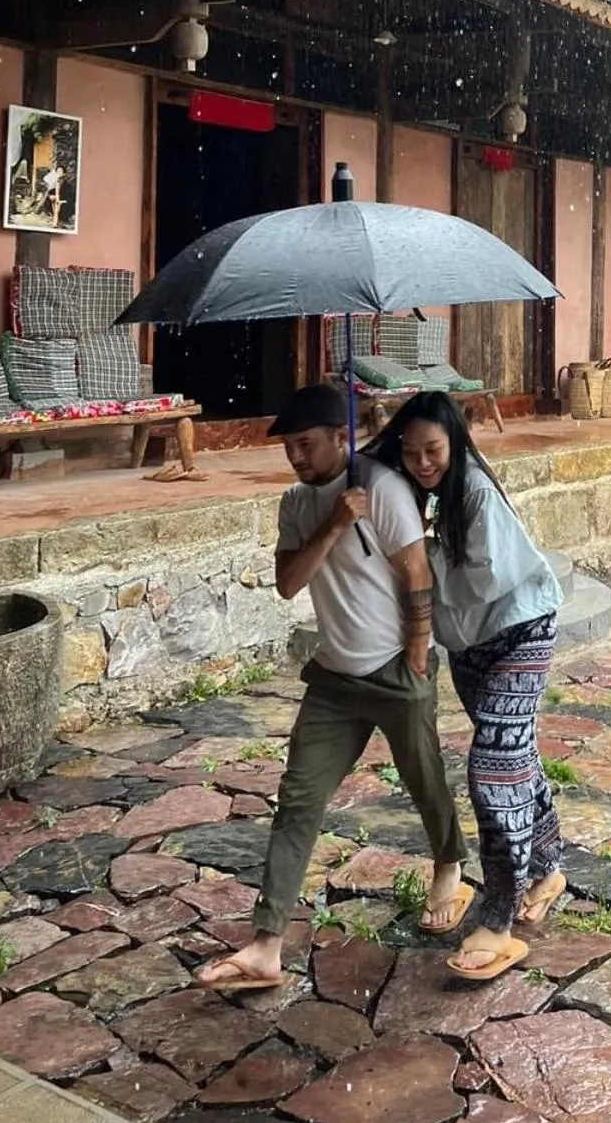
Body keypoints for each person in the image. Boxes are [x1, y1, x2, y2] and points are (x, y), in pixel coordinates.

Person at [195, 383, 471, 992]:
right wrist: (334, 521)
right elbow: (289, 584)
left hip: (395, 669)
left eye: (307, 444)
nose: (296, 456)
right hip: (333, 679)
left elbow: (416, 572)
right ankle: (266, 945)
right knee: (298, 800)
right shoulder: (298, 502)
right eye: (289, 447)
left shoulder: (386, 488)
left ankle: (449, 864)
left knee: (424, 779)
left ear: (340, 437)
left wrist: (419, 654)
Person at [365, 391, 565, 980]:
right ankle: (548, 868)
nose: (423, 462)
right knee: (515, 754)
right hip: (469, 642)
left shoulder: (473, 489)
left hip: (519, 629)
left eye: (434, 450)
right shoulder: (412, 484)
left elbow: (484, 578)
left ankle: (497, 917)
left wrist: (416, 550)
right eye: (412, 452)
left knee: (492, 767)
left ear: (455, 442)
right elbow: (370, 464)